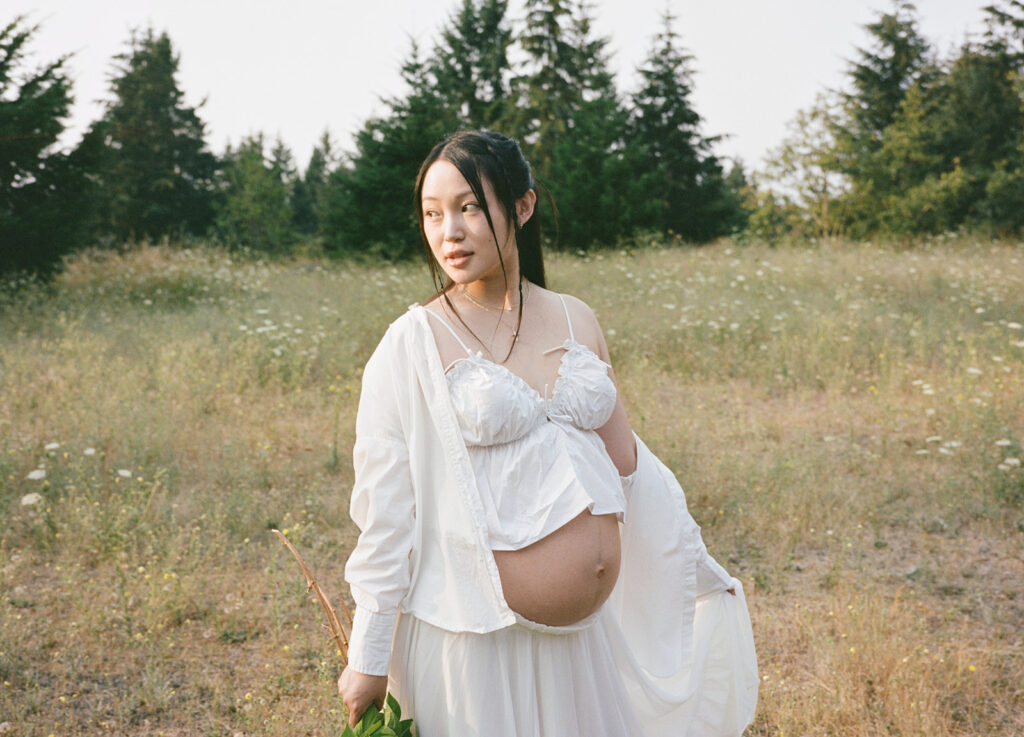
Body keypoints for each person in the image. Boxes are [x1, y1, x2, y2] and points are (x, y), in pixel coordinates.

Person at [337, 130, 758, 736]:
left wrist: (699, 571)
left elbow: (630, 467)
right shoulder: (413, 343)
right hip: (478, 648)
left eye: (469, 207)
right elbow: (386, 514)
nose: (448, 231)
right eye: (432, 214)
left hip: (583, 648)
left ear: (523, 207)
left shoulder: (573, 316)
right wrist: (369, 656)